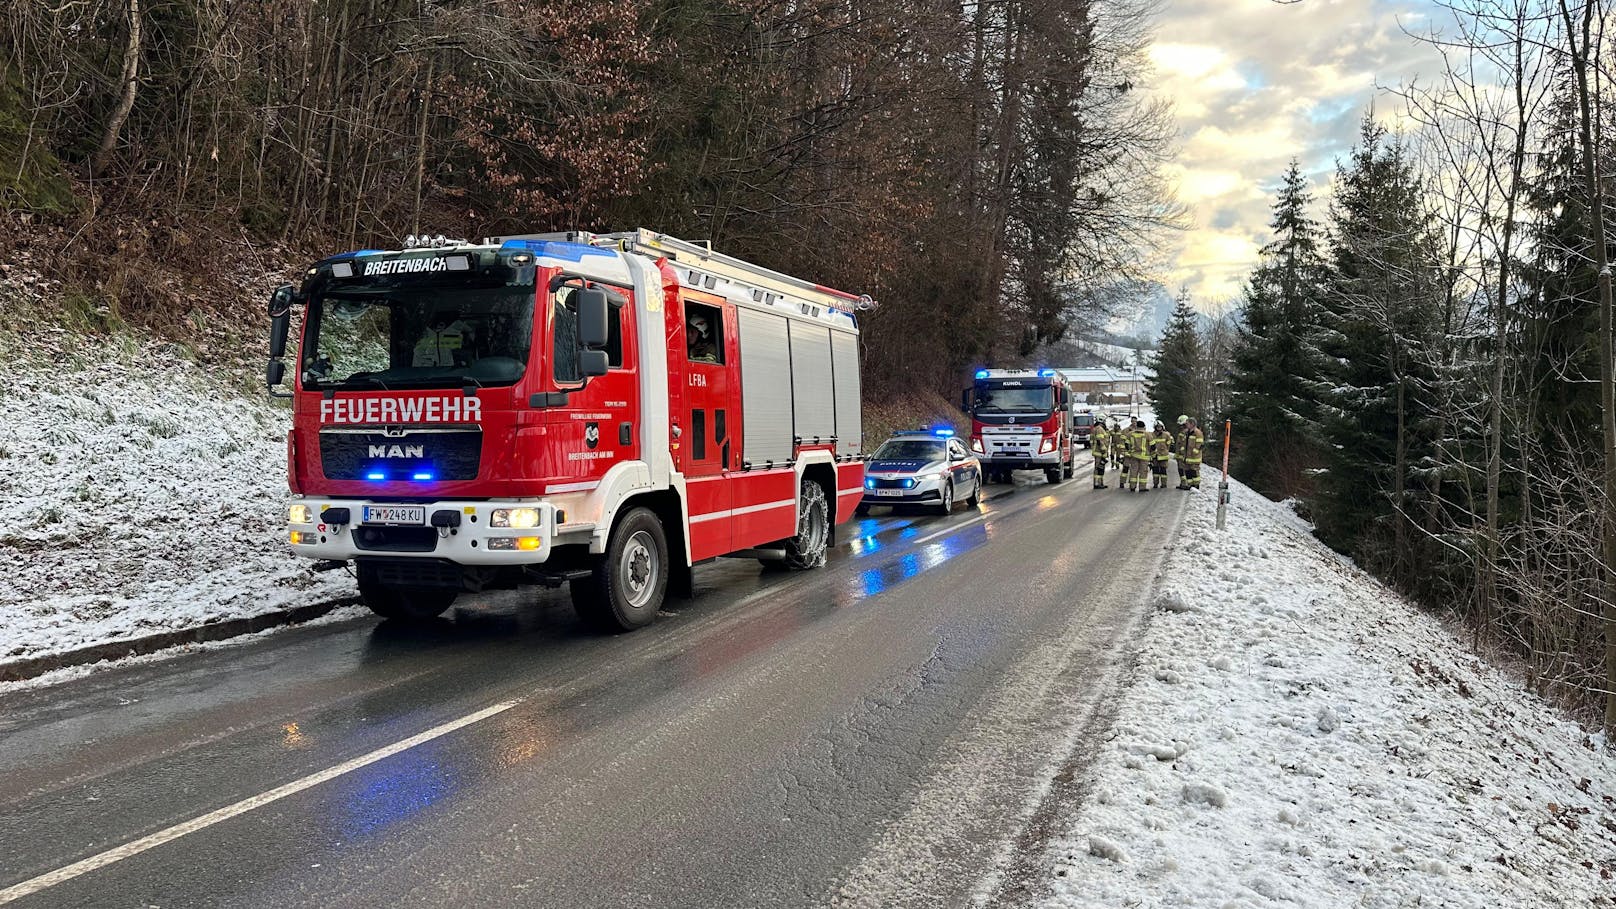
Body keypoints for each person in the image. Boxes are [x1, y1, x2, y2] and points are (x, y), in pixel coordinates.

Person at [1176, 415, 1204, 490]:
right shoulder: (1187, 432)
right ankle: (1190, 486)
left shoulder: (1198, 433)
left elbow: (1200, 444)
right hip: (1187, 457)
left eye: (1187, 423)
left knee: (1194, 472)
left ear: (1192, 424)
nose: (1186, 425)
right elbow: (1183, 443)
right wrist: (1182, 450)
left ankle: (1196, 486)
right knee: (1188, 472)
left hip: (1194, 458)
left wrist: (1194, 452)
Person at [1128, 419, 1150, 492]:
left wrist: (1130, 451)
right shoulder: (1147, 434)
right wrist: (1152, 454)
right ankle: (1142, 487)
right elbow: (1153, 446)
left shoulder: (1130, 434)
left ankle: (1132, 486)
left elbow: (1126, 444)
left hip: (1134, 455)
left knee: (1133, 471)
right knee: (1143, 472)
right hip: (1144, 457)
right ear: (1144, 427)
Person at [1150, 422, 1172, 489]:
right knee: (1155, 471)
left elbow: (1169, 444)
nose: (1159, 428)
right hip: (1155, 456)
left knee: (1163, 471)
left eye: (1160, 427)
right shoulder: (1151, 435)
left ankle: (1164, 484)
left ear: (1162, 427)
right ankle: (1155, 484)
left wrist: (1165, 450)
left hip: (1163, 456)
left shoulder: (1166, 435)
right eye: (1157, 427)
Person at [1090, 419, 1110, 489]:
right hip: (1100, 452)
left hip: (1098, 452)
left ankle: (1100, 483)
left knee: (1100, 468)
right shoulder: (1100, 429)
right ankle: (1097, 483)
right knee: (1098, 468)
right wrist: (1104, 450)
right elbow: (1100, 441)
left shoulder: (1096, 428)